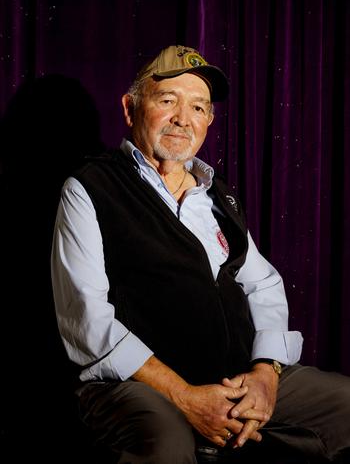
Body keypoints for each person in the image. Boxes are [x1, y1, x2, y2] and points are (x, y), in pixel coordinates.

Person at [51, 45, 350, 463]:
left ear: (209, 120)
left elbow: (262, 283)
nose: (182, 119)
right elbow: (86, 320)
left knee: (344, 404)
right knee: (164, 441)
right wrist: (185, 396)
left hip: (233, 378)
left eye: (198, 107)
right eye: (168, 101)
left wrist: (266, 373)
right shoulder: (90, 189)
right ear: (130, 107)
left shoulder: (217, 195)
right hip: (139, 384)